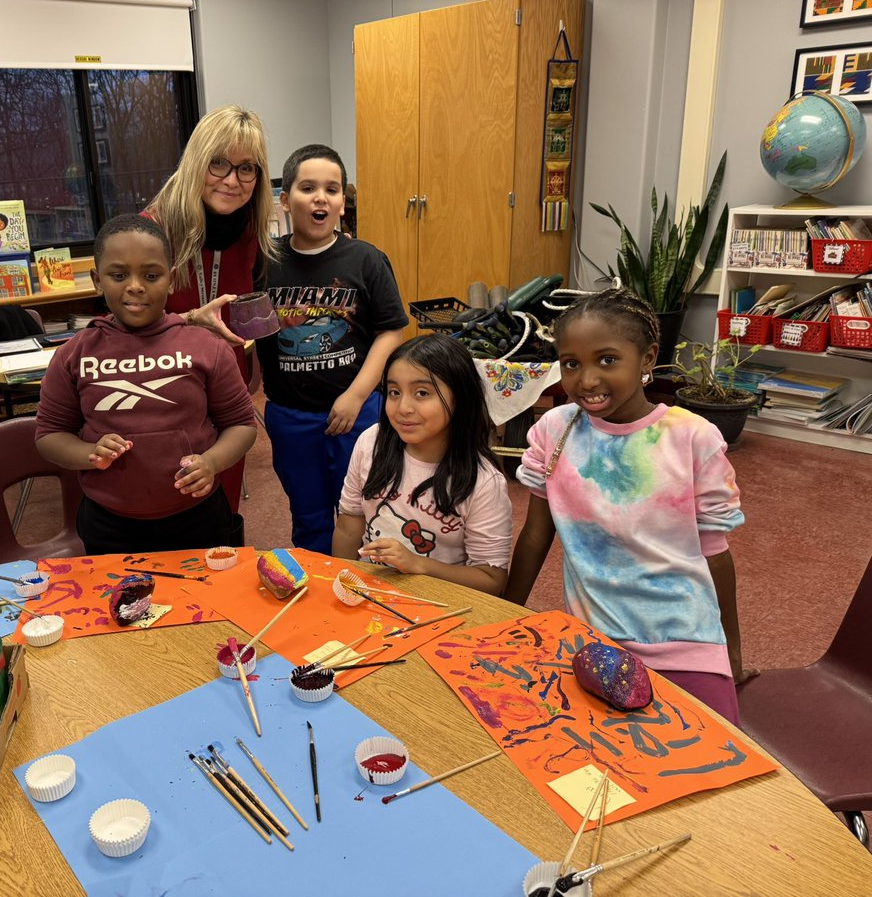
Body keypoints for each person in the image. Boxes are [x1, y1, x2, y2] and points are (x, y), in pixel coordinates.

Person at [503, 286, 748, 725]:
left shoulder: (693, 438)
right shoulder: (554, 431)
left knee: (713, 763)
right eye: (571, 364)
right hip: (593, 641)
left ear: (648, 359)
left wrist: (731, 654)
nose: (587, 379)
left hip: (685, 639)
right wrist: (506, 615)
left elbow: (716, 555)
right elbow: (536, 535)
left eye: (608, 360)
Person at [35, 214, 256, 554]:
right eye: (119, 275)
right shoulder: (74, 354)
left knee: (205, 605)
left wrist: (211, 462)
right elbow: (49, 436)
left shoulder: (205, 347)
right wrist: (89, 453)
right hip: (109, 521)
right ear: (97, 280)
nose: (135, 286)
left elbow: (241, 426)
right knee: (120, 606)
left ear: (170, 280)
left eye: (151, 275)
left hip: (197, 515)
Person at [259, 143, 407, 553]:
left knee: (365, 510)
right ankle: (319, 597)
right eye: (308, 188)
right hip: (291, 415)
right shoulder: (266, 261)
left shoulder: (366, 260)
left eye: (332, 188)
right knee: (308, 514)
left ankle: (363, 590)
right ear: (286, 201)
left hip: (357, 413)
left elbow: (392, 331)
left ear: (343, 202)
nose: (320, 197)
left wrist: (356, 397)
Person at [143, 104, 280, 517]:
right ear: (197, 162)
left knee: (222, 509)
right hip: (164, 391)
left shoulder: (251, 231)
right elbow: (123, 328)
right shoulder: (152, 229)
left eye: (246, 169)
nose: (232, 180)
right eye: (218, 164)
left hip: (227, 391)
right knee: (167, 508)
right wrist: (186, 320)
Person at [333, 335, 511, 593]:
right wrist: (343, 582)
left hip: (441, 606)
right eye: (394, 392)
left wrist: (419, 564)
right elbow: (350, 523)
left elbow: (491, 580)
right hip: (370, 593)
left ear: (461, 398)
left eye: (422, 393)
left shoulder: (484, 482)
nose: (403, 407)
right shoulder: (371, 442)